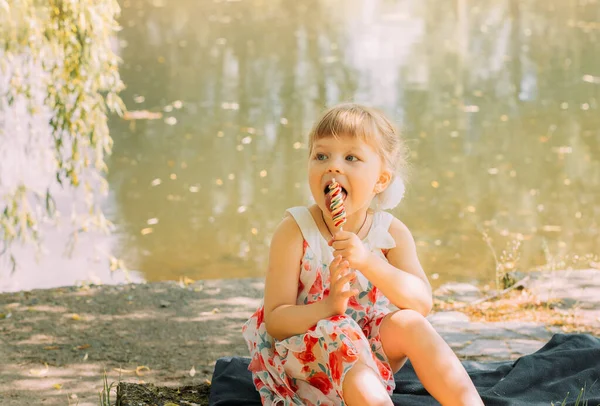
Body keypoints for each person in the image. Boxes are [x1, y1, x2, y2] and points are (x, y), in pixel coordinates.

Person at [242, 103, 483, 406]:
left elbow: (421, 303)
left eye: (351, 157)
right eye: (321, 156)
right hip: (305, 363)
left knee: (411, 323)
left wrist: (368, 261)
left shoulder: (390, 233)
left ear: (381, 180)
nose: (333, 166)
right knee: (339, 328)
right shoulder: (295, 231)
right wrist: (328, 307)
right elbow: (276, 322)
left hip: (372, 360)